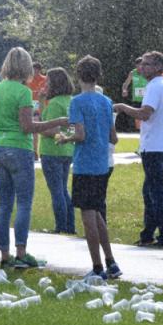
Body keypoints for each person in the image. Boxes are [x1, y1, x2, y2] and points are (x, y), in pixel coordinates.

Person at [0, 47, 67, 269]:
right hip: (19, 149)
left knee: (4, 204)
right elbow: (27, 127)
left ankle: (5, 255)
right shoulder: (23, 92)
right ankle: (21, 252)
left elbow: (0, 120)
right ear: (25, 66)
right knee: (23, 203)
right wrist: (57, 121)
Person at [56, 56, 121, 280]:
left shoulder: (77, 102)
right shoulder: (106, 102)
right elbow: (114, 137)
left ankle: (97, 268)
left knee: (88, 217)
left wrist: (65, 139)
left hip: (85, 165)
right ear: (98, 75)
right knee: (97, 213)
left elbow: (80, 134)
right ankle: (111, 262)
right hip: (103, 165)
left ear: (78, 75)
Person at [114, 51, 163, 248]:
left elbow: (145, 114)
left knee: (155, 192)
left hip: (154, 147)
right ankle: (148, 233)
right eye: (141, 63)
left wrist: (123, 107)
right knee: (149, 190)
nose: (141, 67)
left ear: (159, 68)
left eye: (147, 64)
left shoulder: (154, 87)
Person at [37, 67, 75, 234]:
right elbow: (70, 128)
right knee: (63, 189)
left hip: (51, 151)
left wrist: (37, 127)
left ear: (54, 83)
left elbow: (46, 128)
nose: (45, 84)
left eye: (48, 81)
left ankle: (60, 226)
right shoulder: (70, 101)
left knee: (56, 191)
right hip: (67, 150)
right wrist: (40, 101)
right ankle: (70, 225)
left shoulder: (55, 103)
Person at [27, 62, 48, 159]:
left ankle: (36, 151)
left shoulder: (44, 79)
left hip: (41, 104)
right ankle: (33, 151)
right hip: (30, 104)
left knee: (40, 129)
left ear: (39, 70)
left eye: (36, 69)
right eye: (32, 69)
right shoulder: (28, 80)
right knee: (33, 130)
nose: (34, 72)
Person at [119, 57, 146, 131]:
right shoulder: (133, 73)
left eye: (142, 65)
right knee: (137, 115)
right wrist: (124, 90)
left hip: (147, 98)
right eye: (138, 65)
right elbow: (125, 84)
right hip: (136, 98)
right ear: (136, 65)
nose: (140, 67)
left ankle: (145, 130)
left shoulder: (147, 73)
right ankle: (139, 131)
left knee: (146, 114)